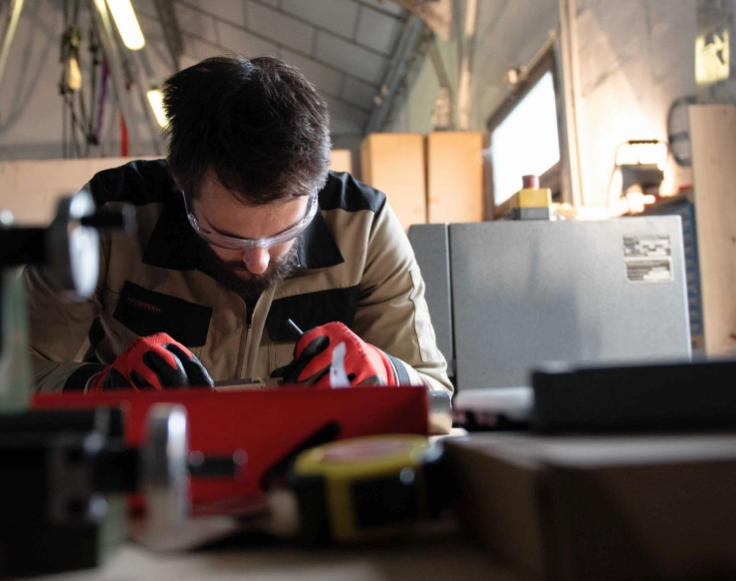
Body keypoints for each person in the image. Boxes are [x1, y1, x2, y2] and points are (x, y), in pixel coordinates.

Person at [25, 55, 450, 395]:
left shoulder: (365, 225)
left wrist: (386, 373)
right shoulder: (105, 220)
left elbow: (436, 395)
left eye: (285, 234)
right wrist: (103, 385)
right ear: (179, 181)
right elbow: (12, 378)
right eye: (226, 235)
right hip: (153, 465)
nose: (259, 261)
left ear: (317, 186)